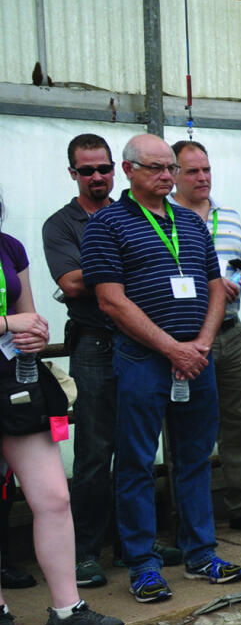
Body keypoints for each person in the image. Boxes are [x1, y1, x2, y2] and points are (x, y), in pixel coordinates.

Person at [80, 133, 241, 602]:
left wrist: (202, 344)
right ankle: (143, 564)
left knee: (194, 459)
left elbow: (217, 286)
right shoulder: (107, 225)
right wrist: (172, 348)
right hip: (143, 361)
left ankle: (200, 554)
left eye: (170, 168)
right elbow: (111, 302)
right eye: (156, 168)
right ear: (129, 171)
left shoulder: (191, 224)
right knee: (134, 463)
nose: (167, 176)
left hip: (196, 360)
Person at [0, 209, 125, 625]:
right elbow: (10, 319)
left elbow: (26, 314)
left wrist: (32, 332)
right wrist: (7, 323)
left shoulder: (8, 246)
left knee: (53, 496)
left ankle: (67, 609)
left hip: (14, 383)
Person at [42, 133, 148, 589]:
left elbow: (156, 266)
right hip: (93, 344)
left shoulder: (137, 212)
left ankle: (133, 545)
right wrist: (124, 260)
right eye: (87, 170)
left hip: (140, 341)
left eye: (104, 168)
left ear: (116, 168)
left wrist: (104, 266)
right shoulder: (60, 224)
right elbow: (70, 283)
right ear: (73, 174)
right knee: (92, 452)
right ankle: (86, 552)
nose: (97, 177)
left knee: (137, 448)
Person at [169, 139, 241, 534]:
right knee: (189, 427)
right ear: (173, 175)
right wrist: (213, 285)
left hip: (231, 333)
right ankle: (191, 515)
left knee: (240, 421)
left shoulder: (231, 217)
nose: (202, 178)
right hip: (185, 338)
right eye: (192, 171)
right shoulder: (165, 219)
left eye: (206, 169)